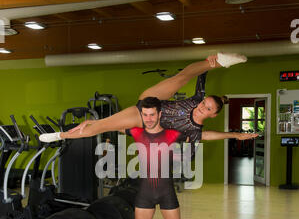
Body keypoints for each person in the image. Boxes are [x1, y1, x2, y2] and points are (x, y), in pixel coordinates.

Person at [39, 52, 258, 145]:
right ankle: (222, 61)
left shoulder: (194, 130)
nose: (202, 107)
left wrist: (235, 135)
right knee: (181, 78)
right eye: (204, 103)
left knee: (100, 126)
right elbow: (195, 73)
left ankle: (60, 136)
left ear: (213, 114)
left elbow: (209, 136)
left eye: (207, 108)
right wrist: (211, 61)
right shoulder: (196, 99)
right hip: (149, 102)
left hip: (143, 120)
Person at [116, 96, 194, 219]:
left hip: (166, 193)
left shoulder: (173, 134)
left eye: (152, 114)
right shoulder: (136, 131)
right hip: (145, 194)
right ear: (141, 115)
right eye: (145, 114)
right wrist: (90, 125)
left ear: (160, 114)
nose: (148, 118)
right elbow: (111, 125)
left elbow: (203, 134)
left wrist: (234, 135)